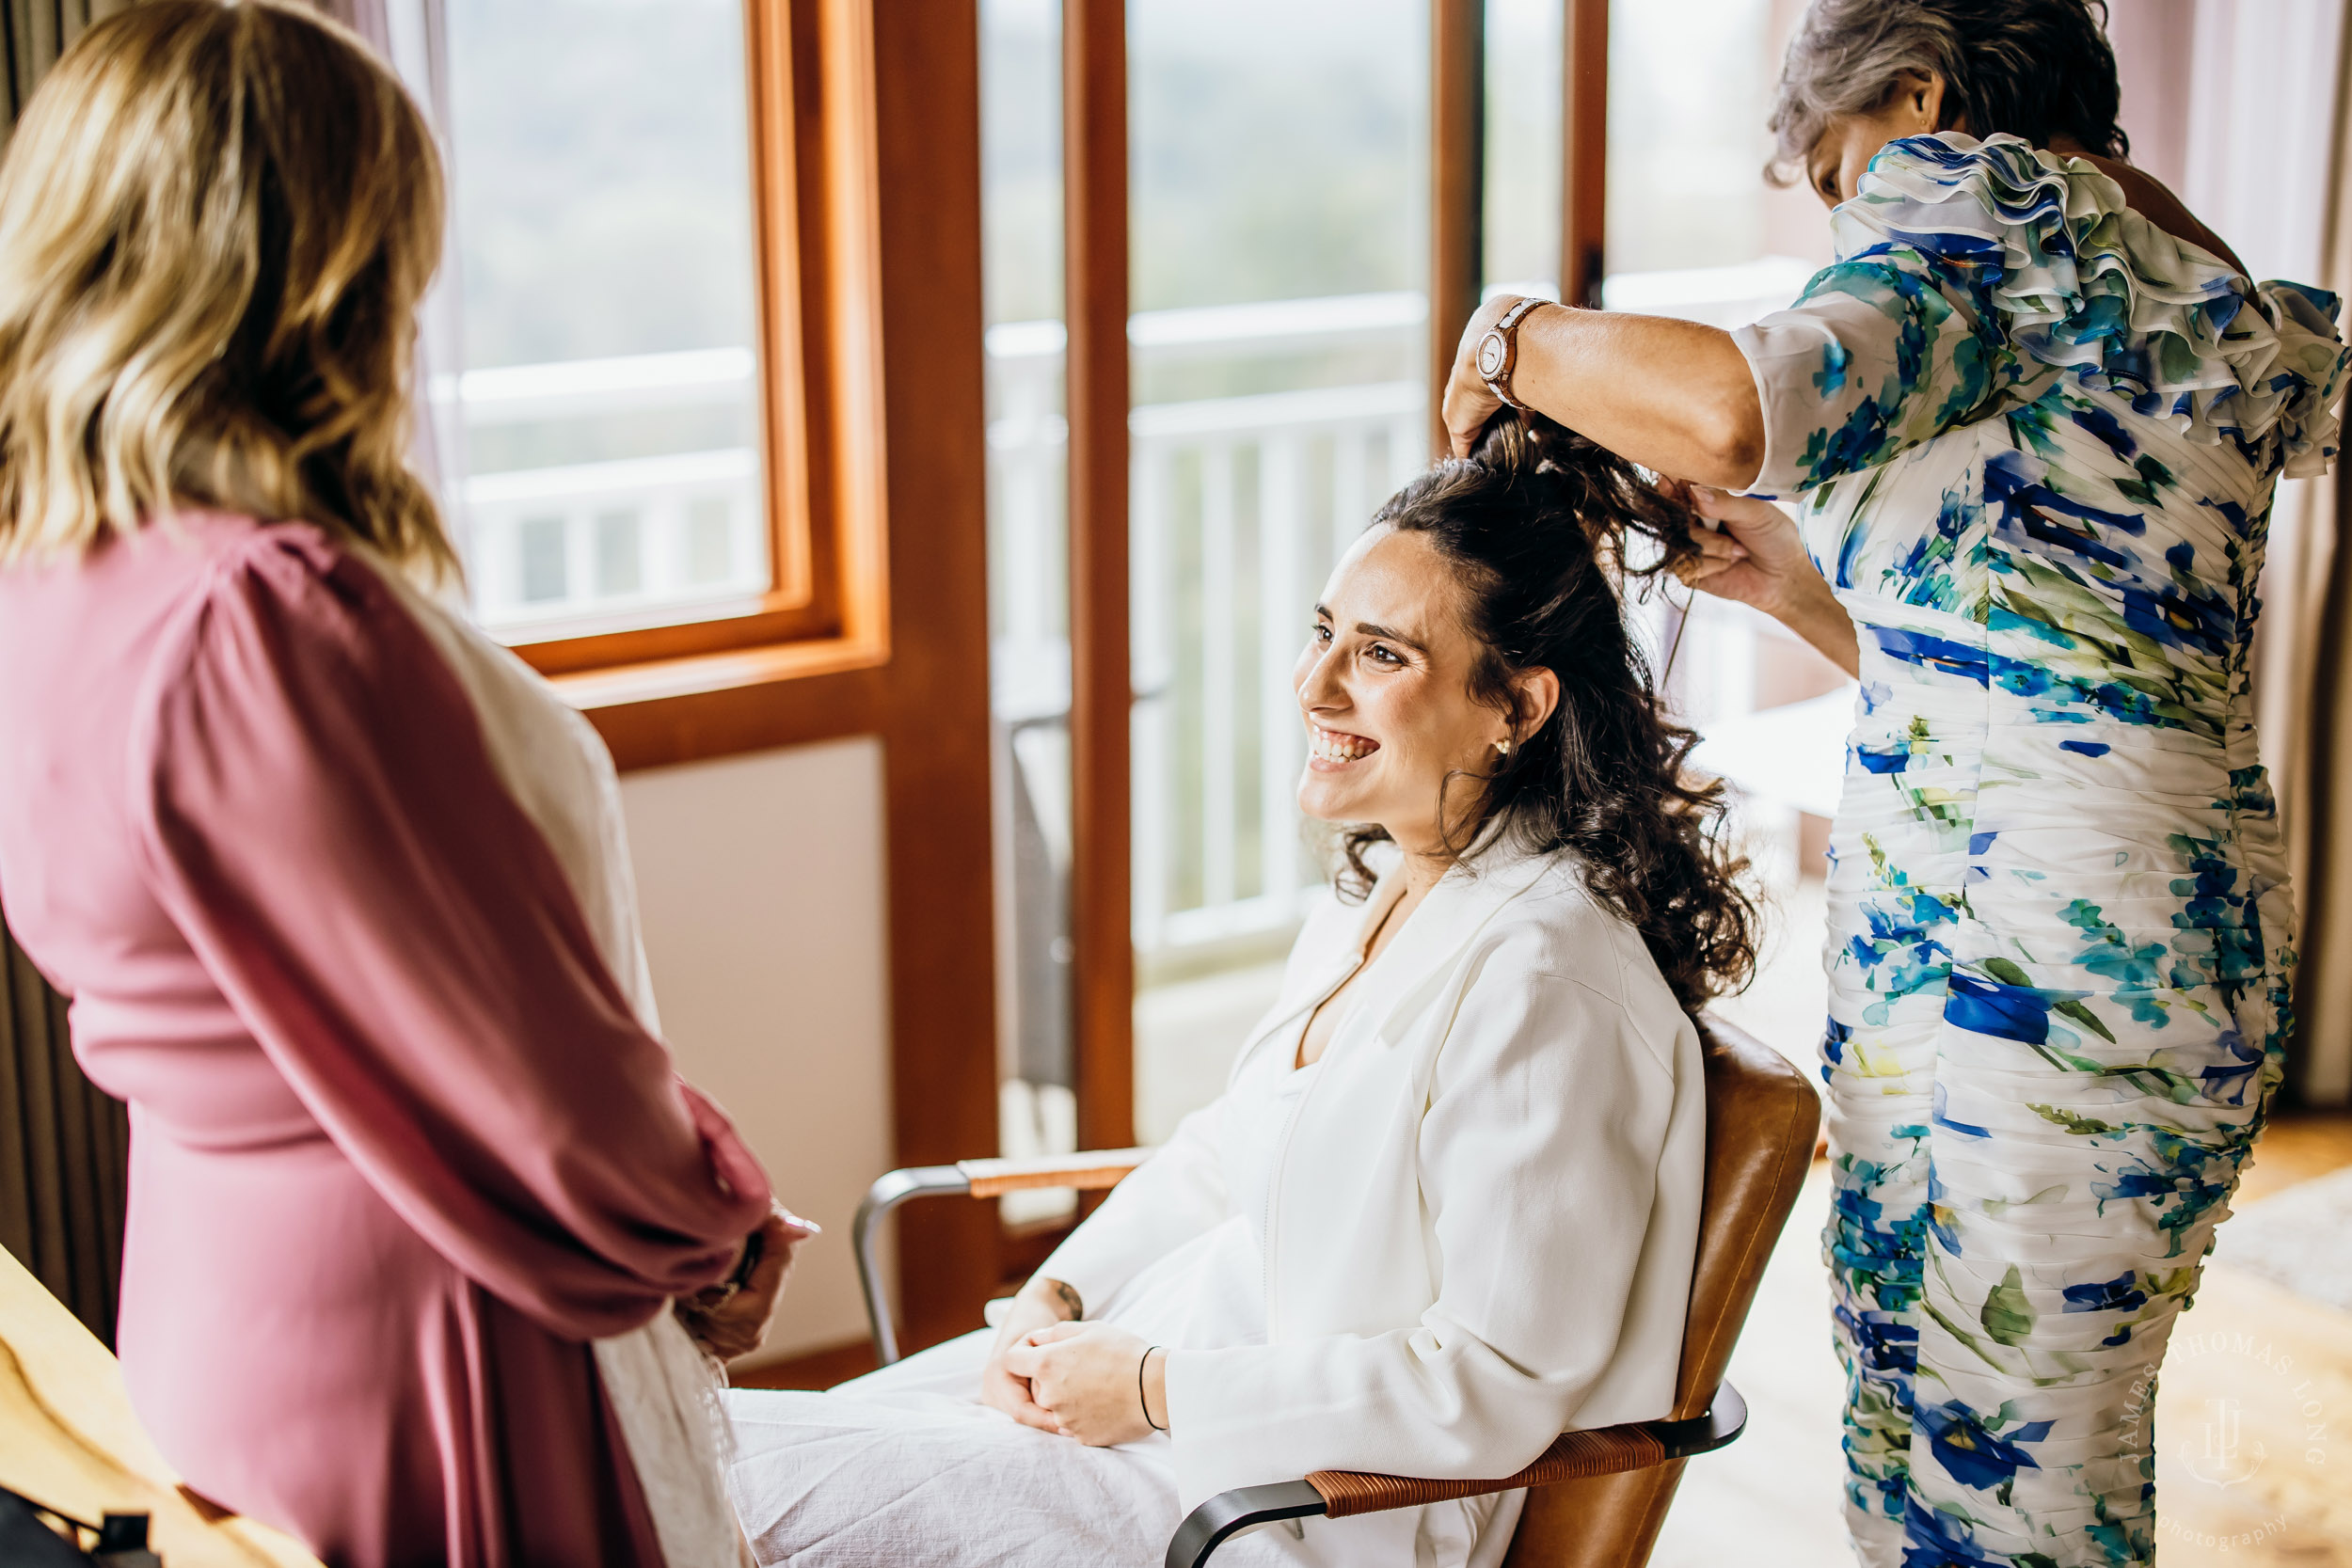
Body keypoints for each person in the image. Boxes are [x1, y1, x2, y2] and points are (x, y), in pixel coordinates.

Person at [1438, 3, 2349, 1564]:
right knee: (1971, 1412)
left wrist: (1511, 331)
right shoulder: (2174, 278)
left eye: (1844, 173)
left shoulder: (1984, 209)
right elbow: (2068, 665)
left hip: (2038, 957)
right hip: (2134, 926)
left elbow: (1738, 406)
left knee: (2006, 1471)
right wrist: (1802, 591)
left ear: (1926, 101)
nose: (1855, 225)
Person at [0, 6, 811, 1564]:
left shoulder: (52, 574)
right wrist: (712, 1217)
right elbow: (536, 1079)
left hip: (209, 1301)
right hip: (419, 1306)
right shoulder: (267, 614)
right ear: (332, 267)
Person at [722, 416, 1756, 1567]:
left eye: (1381, 653)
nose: (1315, 685)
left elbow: (1494, 1378)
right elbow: (1225, 1149)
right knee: (687, 1452)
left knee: (714, 1483)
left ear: (1517, 705)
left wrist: (1159, 1390)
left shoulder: (1548, 984)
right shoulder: (1385, 895)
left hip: (1283, 1507)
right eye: (1323, 633)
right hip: (1149, 1393)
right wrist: (1061, 1292)